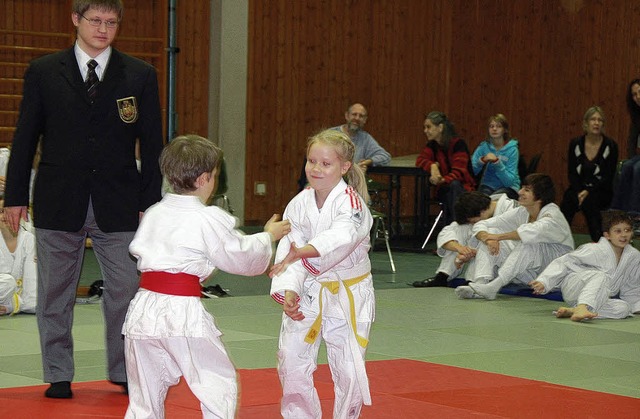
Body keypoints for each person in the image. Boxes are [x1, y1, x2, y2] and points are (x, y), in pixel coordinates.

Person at [3, 0, 164, 398]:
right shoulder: (43, 71)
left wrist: (151, 201)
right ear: (75, 20)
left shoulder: (140, 75)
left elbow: (154, 141)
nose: (104, 29)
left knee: (126, 290)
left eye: (112, 22)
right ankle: (58, 373)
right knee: (55, 292)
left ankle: (124, 369)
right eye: (96, 20)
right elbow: (25, 138)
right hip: (59, 197)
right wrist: (14, 196)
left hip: (120, 200)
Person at [122, 135, 290, 418]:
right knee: (215, 380)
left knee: (144, 394)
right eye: (214, 176)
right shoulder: (207, 218)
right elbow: (239, 255)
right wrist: (267, 236)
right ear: (203, 179)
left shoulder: (154, 212)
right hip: (181, 312)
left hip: (143, 310)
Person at [270, 129, 374, 419]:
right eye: (311, 161)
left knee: (348, 367)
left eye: (325, 163)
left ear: (344, 167)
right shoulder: (298, 204)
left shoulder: (352, 205)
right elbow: (289, 246)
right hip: (309, 287)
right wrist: (290, 289)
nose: (315, 169)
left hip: (348, 291)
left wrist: (303, 253)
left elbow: (340, 238)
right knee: (290, 360)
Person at [455, 174, 574, 300]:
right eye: (522, 188)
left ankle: (494, 286)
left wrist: (496, 237)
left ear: (540, 196)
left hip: (554, 274)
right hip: (531, 274)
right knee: (492, 234)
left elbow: (529, 232)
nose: (520, 192)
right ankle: (480, 285)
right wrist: (487, 238)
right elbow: (483, 224)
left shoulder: (553, 215)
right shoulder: (522, 211)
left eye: (527, 190)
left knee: (527, 242)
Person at [530, 210, 640, 321]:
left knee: (623, 308)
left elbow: (632, 287)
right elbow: (564, 261)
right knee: (601, 276)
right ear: (607, 235)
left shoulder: (633, 256)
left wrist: (636, 306)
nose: (623, 235)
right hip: (575, 286)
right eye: (618, 231)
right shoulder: (594, 249)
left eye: (627, 230)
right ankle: (582, 308)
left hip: (598, 296)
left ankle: (574, 310)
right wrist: (545, 281)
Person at [412, 191, 518, 287]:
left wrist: (474, 252)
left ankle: (474, 281)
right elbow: (448, 232)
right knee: (459, 228)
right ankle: (443, 276)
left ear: (481, 212)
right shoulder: (481, 210)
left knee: (490, 236)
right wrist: (460, 249)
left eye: (472, 221)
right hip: (486, 256)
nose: (472, 223)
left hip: (510, 261)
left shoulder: (512, 209)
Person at [297, 103, 391, 191]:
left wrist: (368, 162)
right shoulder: (330, 135)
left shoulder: (366, 139)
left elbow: (385, 156)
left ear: (365, 120)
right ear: (347, 116)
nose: (357, 118)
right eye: (354, 114)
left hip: (351, 185)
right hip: (323, 181)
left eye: (361, 116)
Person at [560, 106, 618, 242]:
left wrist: (588, 191)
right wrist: (580, 191)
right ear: (586, 123)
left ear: (603, 124)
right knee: (567, 203)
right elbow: (572, 173)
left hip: (601, 190)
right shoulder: (575, 144)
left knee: (590, 203)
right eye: (593, 119)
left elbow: (608, 176)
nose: (596, 123)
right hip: (578, 188)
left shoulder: (611, 146)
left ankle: (598, 242)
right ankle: (559, 240)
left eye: (600, 120)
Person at [416, 111, 476, 225]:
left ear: (440, 127)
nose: (425, 131)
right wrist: (433, 166)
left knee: (454, 186)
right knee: (448, 190)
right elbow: (420, 160)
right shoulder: (432, 145)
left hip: (464, 188)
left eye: (428, 127)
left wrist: (442, 179)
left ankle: (456, 224)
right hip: (444, 188)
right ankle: (454, 225)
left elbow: (459, 172)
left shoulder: (458, 144)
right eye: (424, 127)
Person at [471, 113, 520, 199]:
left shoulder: (512, 150)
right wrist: (482, 161)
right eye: (491, 126)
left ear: (505, 130)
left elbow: (508, 182)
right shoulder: (483, 147)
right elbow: (471, 171)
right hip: (487, 185)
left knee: (495, 200)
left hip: (509, 187)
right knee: (480, 202)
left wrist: (497, 163)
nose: (494, 129)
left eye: (498, 126)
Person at [0, 201, 37, 316]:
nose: (5, 216)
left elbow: (32, 300)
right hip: (7, 289)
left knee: (34, 304)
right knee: (8, 282)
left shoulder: (29, 240)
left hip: (10, 295)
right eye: (1, 212)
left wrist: (9, 307)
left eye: (10, 212)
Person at [612, 79, 640, 215]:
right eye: (634, 95)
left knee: (637, 168)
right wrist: (631, 157)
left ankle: (635, 213)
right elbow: (632, 140)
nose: (637, 97)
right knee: (626, 166)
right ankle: (617, 210)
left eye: (639, 92)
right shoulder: (637, 116)